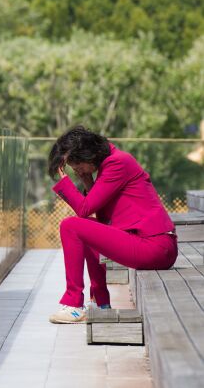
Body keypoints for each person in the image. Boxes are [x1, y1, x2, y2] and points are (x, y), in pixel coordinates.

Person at [47, 126, 178, 324]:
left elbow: (83, 208)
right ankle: (101, 302)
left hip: (155, 245)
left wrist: (63, 180)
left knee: (70, 225)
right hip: (149, 243)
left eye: (76, 164)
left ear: (88, 154)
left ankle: (74, 305)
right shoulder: (111, 164)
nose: (75, 170)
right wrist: (87, 181)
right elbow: (104, 220)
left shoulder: (118, 163)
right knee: (84, 228)